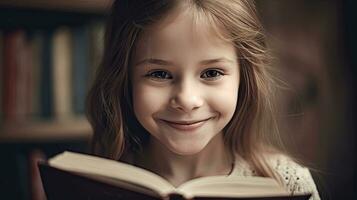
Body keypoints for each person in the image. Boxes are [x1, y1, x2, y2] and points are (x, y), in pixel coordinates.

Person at [86, 0, 321, 199]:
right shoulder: (92, 183)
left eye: (211, 73)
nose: (187, 100)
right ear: (125, 79)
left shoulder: (288, 184)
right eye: (159, 74)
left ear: (244, 78)